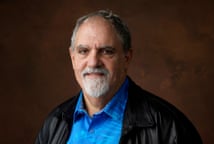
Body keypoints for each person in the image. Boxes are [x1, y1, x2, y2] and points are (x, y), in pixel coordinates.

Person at [35, 10, 202, 144]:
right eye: (83, 51)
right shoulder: (55, 122)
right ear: (73, 59)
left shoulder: (169, 127)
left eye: (107, 51)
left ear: (126, 58)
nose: (93, 62)